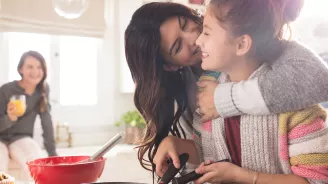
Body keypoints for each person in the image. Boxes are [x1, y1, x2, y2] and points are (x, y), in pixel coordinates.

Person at [124, 1, 328, 175]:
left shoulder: (264, 53)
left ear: (242, 44)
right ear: (170, 66)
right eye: (178, 47)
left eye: (186, 24)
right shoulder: (189, 95)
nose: (194, 38)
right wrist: (179, 146)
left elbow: (319, 79)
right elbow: (212, 153)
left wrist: (224, 99)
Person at [0, 51, 57, 176]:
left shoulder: (42, 90)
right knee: (1, 174)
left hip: (21, 138)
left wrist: (53, 154)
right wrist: (9, 118)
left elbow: (46, 122)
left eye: (39, 67)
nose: (35, 71)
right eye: (30, 67)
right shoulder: (6, 90)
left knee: (39, 169)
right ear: (21, 69)